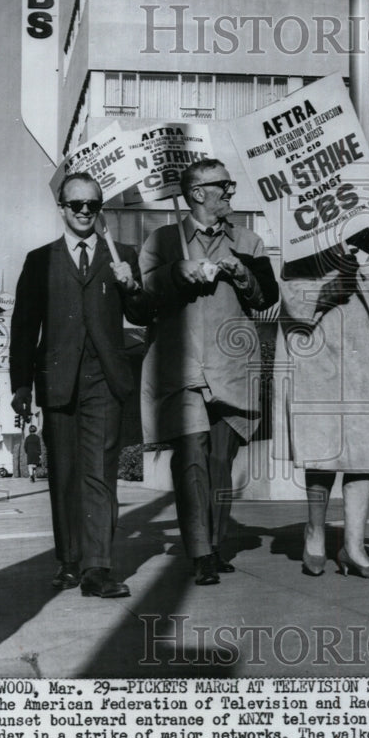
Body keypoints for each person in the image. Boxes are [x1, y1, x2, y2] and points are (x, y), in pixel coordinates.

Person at [10, 172, 150, 598]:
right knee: (65, 474)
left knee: (99, 474)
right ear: (63, 209)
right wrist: (20, 386)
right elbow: (23, 326)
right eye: (77, 205)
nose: (86, 212)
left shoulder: (122, 254)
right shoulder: (40, 260)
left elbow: (144, 315)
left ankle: (97, 569)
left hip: (104, 379)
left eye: (93, 205)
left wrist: (131, 286)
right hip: (55, 379)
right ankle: (69, 561)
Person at [139, 159, 278, 585]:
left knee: (220, 460)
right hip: (182, 367)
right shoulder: (162, 240)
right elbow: (141, 302)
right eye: (224, 186)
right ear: (197, 193)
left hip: (232, 368)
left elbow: (266, 299)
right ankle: (201, 552)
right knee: (193, 457)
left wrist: (242, 275)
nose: (230, 193)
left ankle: (213, 543)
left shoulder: (248, 241)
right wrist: (174, 273)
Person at [276, 226, 369, 579]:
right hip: (319, 362)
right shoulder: (302, 250)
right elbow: (295, 304)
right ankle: (315, 535)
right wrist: (335, 282)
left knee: (365, 454)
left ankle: (354, 547)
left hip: (364, 364)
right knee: (323, 453)